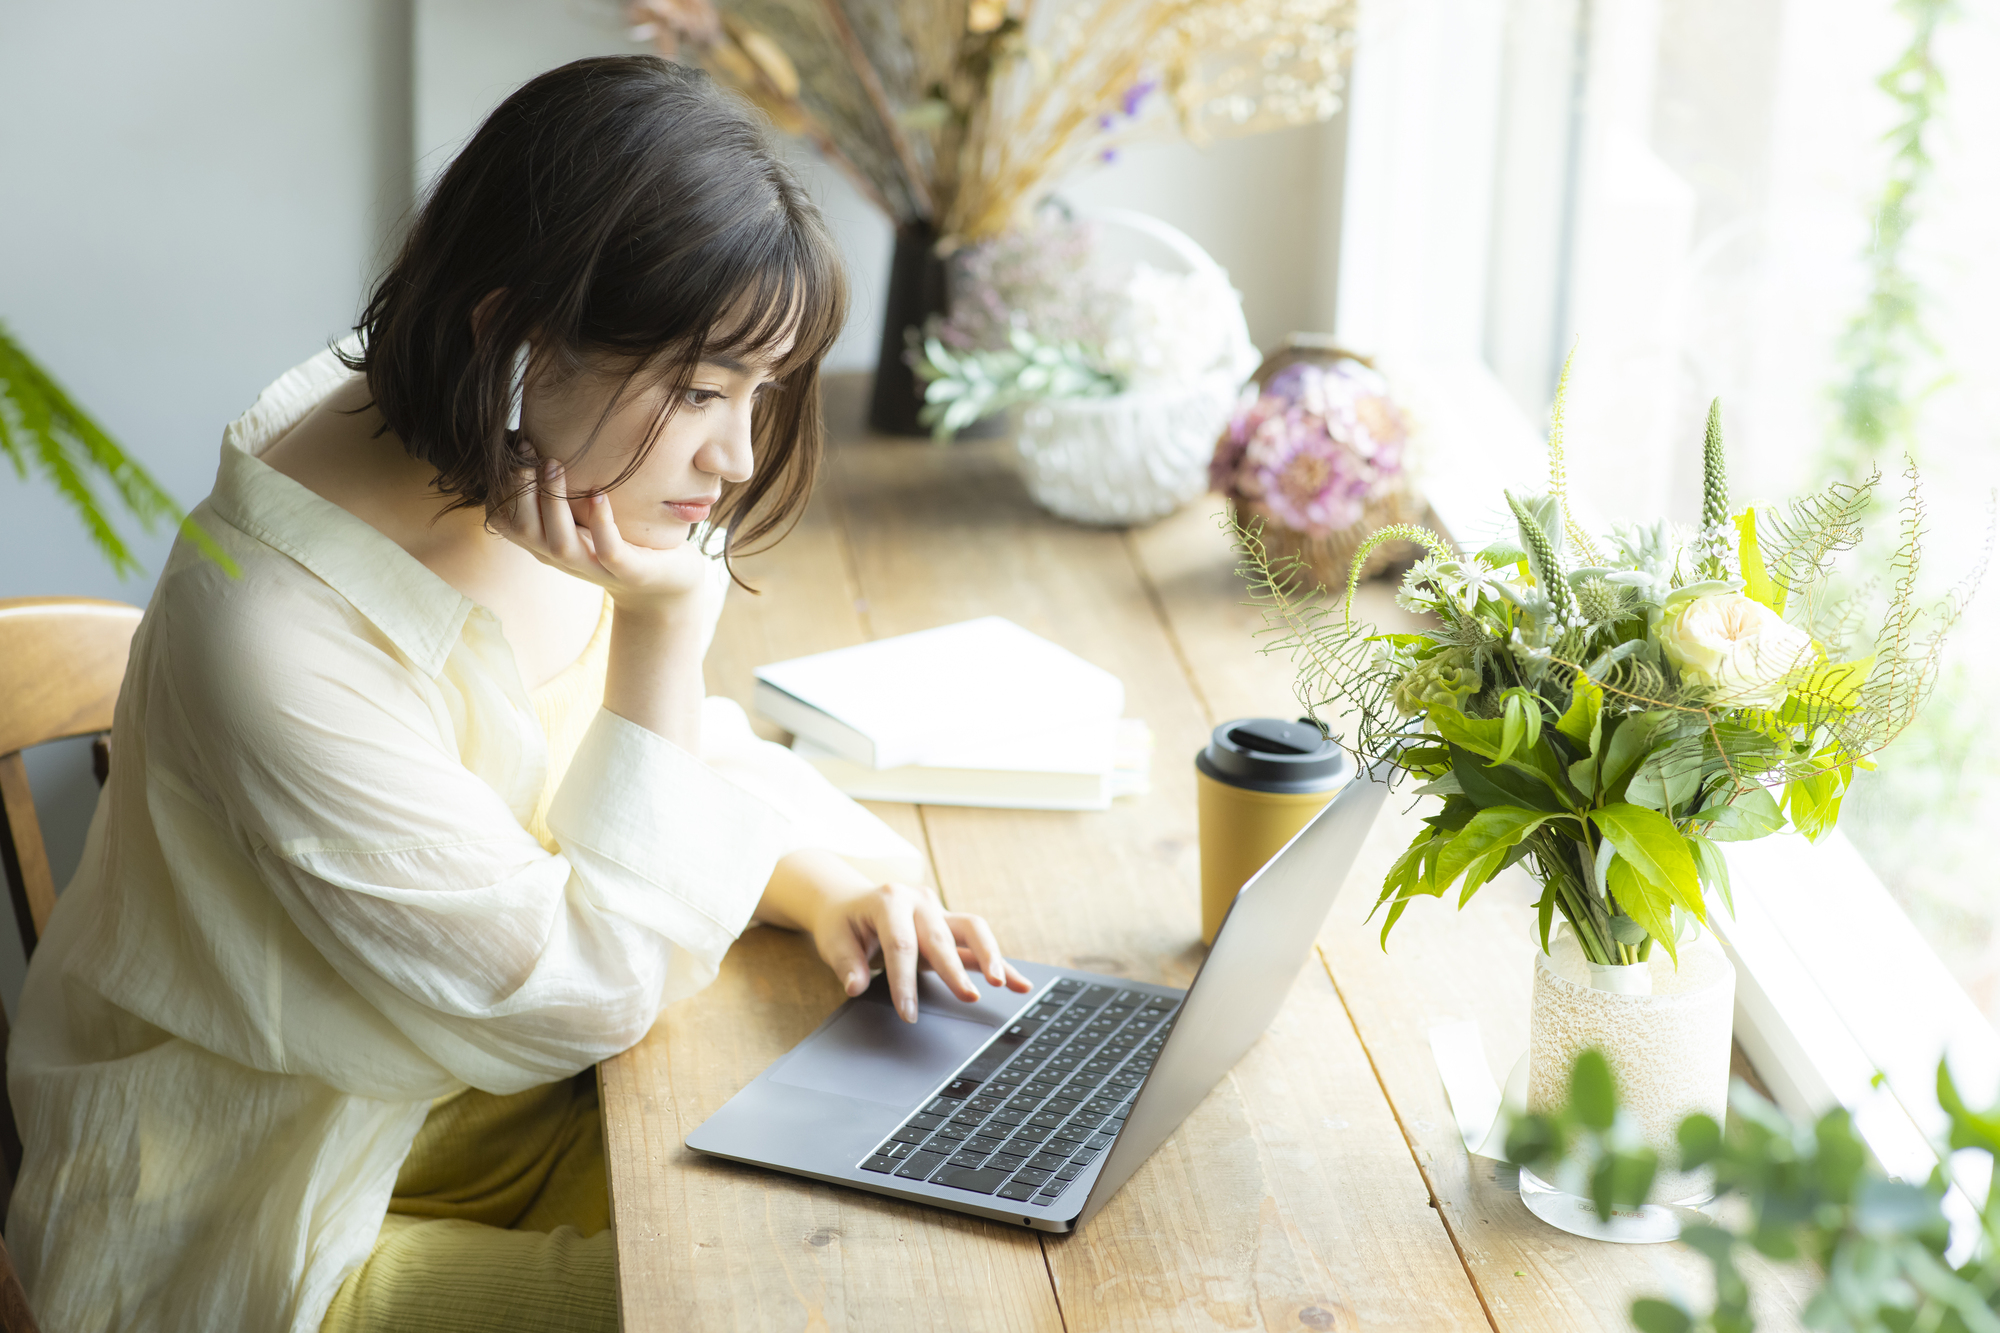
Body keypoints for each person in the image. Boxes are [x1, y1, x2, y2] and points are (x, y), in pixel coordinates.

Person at [4, 55, 1029, 1333]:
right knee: (796, 1294)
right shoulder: (276, 636)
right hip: (289, 1200)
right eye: (702, 391)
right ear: (509, 333)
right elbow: (582, 989)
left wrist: (816, 878)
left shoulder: (509, 439)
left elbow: (590, 768)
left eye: (758, 392)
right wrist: (664, 626)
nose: (735, 453)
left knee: (924, 1209)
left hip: (507, 1096)